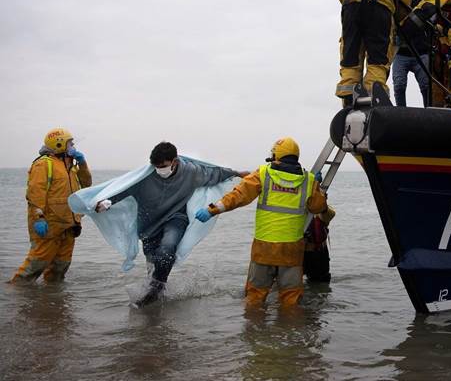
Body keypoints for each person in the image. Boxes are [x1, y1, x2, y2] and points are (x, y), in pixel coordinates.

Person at [95, 142, 246, 307]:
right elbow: (125, 188)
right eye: (157, 166)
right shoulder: (146, 177)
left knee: (167, 249)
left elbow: (213, 173)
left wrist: (237, 174)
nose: (160, 169)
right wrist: (108, 201)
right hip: (149, 224)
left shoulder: (190, 172)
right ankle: (157, 294)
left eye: (163, 166)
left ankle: (155, 292)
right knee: (153, 263)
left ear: (175, 161)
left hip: (176, 218)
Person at [195, 137, 328, 308]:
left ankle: (255, 325)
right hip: (291, 250)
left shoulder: (263, 174)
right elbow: (318, 207)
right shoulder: (308, 180)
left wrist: (212, 210)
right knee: (291, 300)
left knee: (255, 298)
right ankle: (291, 325)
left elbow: (238, 196)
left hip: (264, 248)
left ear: (276, 155)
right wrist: (316, 186)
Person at [10, 128, 92, 284]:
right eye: (70, 143)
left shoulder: (70, 165)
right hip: (49, 223)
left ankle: (52, 295)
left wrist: (82, 163)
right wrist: (39, 218)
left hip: (69, 223)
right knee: (37, 263)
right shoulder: (43, 164)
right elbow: (35, 194)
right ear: (59, 144)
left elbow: (86, 184)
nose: (73, 146)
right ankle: (15, 292)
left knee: (61, 266)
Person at [336, 0, 413, 107]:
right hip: (380, 7)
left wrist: (355, 6)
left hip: (351, 7)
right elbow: (405, 3)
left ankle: (348, 96)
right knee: (378, 55)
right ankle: (374, 95)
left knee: (351, 53)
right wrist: (398, 21)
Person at [392, 0, 431, 107]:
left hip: (420, 53)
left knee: (426, 86)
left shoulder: (419, 5)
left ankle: (429, 110)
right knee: (399, 85)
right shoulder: (394, 6)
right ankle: (401, 112)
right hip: (400, 54)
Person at [303, 205, 337, 283]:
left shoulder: (318, 205)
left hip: (318, 252)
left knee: (320, 282)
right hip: (298, 251)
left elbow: (330, 215)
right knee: (291, 283)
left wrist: (322, 207)